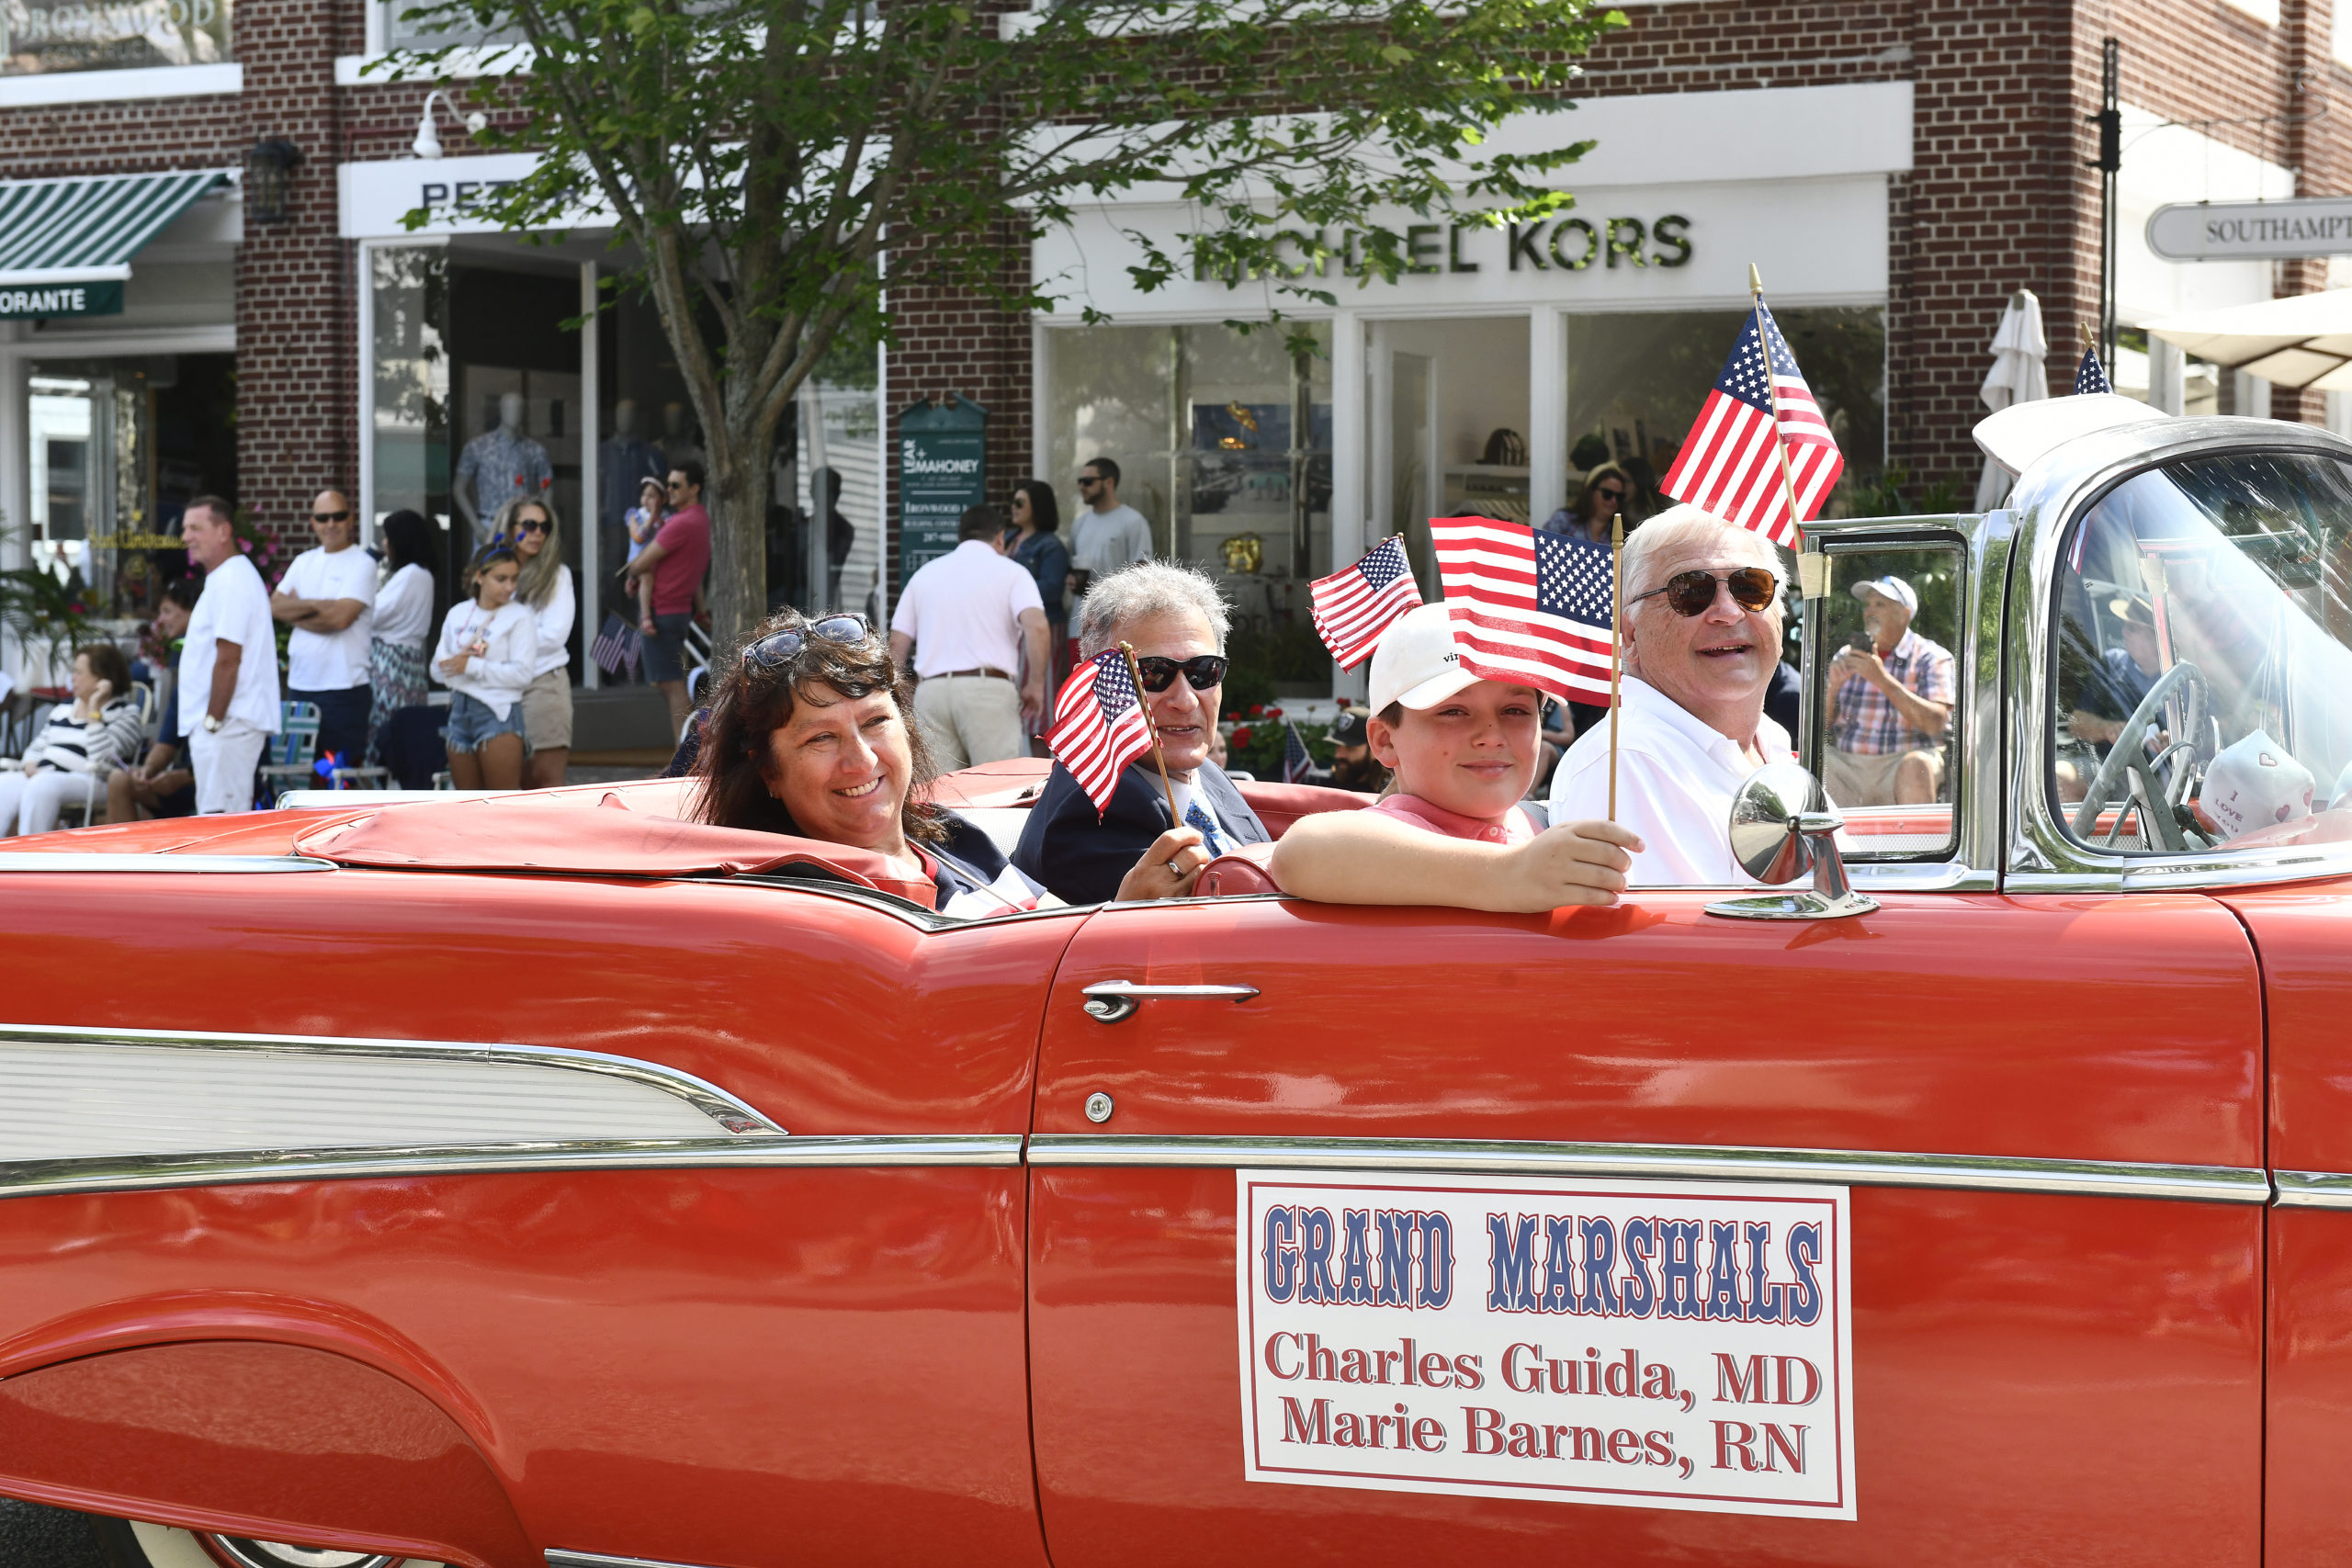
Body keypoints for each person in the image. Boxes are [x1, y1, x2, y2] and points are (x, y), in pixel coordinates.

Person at [693, 611, 1210, 916]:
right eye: (821, 738)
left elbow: (1048, 935)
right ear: (769, 774)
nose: (862, 758)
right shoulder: (803, 899)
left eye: (876, 722)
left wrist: (1129, 907)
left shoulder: (953, 842)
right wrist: (1123, 921)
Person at [1268, 604, 1638, 909]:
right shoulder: (1387, 833)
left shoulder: (1552, 821)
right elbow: (1303, 853)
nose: (1492, 736)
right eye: (1453, 712)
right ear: (1384, 740)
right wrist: (1511, 875)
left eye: (1515, 711)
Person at [1548, 504, 1794, 886]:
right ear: (1631, 635)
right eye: (1692, 592)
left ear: (1778, 615)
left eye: (1750, 588)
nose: (1728, 612)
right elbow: (1684, 940)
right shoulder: (1629, 763)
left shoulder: (1772, 742)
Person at [1013, 560, 1271, 904]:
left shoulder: (1204, 774)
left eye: (1204, 671)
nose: (1185, 700)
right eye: (1151, 674)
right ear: (1095, 687)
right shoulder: (1088, 818)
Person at [888, 502, 1051, 769]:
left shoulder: (924, 575)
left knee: (937, 797)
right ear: (1000, 537)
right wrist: (1035, 684)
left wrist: (897, 693)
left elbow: (897, 641)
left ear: (960, 537)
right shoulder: (1013, 573)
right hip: (989, 691)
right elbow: (1038, 626)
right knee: (998, 793)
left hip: (932, 693)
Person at [179, 494, 280, 814]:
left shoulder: (232, 580)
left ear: (223, 532)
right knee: (218, 822)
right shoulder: (227, 577)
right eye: (185, 529)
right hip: (227, 727)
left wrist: (212, 723)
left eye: (195, 528)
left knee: (219, 826)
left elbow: (228, 658)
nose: (186, 538)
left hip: (227, 728)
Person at [1824, 573, 1955, 807]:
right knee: (1815, 761)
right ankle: (1823, 844)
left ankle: (1916, 844)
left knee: (1916, 766)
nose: (1869, 612)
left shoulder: (1932, 657)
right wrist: (1833, 687)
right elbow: (1819, 729)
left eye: (1880, 604)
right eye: (1868, 604)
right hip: (1850, 768)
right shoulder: (1847, 656)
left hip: (1903, 764)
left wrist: (1882, 679)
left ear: (1904, 614)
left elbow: (1936, 724)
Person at [270, 488, 377, 768]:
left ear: (351, 520)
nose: (331, 524)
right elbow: (274, 607)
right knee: (295, 774)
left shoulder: (363, 563)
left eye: (338, 516)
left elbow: (340, 620)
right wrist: (322, 605)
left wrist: (297, 609)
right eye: (323, 517)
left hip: (344, 688)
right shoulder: (303, 561)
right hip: (300, 685)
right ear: (313, 522)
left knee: (338, 780)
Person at [0, 644, 142, 836]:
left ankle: (33, 856)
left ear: (102, 678)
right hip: (44, 774)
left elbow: (102, 757)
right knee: (4, 783)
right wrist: (30, 763)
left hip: (92, 779)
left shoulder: (125, 713)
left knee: (42, 786)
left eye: (79, 673)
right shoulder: (63, 709)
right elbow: (38, 746)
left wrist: (94, 709)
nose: (72, 678)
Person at [434, 547, 536, 790]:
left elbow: (523, 675)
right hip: (459, 710)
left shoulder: (520, 616)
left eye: (514, 579)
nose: (509, 587)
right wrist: (460, 668)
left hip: (498, 712)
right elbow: (437, 670)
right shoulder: (458, 613)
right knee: (468, 806)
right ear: (479, 577)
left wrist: (470, 666)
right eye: (501, 579)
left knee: (501, 807)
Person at [625, 459, 713, 738]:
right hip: (677, 611)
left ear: (695, 488)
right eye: (669, 484)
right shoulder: (699, 520)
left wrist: (633, 573)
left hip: (663, 612)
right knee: (672, 683)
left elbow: (639, 564)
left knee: (672, 685)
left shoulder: (681, 524)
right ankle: (686, 753)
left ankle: (686, 756)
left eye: (676, 485)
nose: (670, 491)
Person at [108, 580, 199, 823]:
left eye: (167, 611)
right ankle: (126, 861)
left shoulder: (232, 684)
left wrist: (185, 777)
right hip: (185, 779)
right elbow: (166, 742)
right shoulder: (186, 685)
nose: (160, 620)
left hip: (218, 782)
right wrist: (146, 770)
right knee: (120, 779)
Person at [503, 496, 576, 789]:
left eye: (544, 527)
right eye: (529, 525)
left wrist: (502, 640)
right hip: (499, 686)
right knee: (508, 782)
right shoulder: (493, 571)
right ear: (510, 528)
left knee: (544, 780)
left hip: (543, 681)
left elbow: (554, 635)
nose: (537, 533)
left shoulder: (557, 575)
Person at [368, 509, 439, 767]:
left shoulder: (411, 575)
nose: (385, 543)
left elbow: (373, 615)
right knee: (404, 727)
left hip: (392, 664)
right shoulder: (422, 574)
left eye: (388, 537)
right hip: (409, 662)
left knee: (387, 728)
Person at [1067, 457, 1153, 639]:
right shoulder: (1079, 524)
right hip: (1080, 626)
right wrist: (1072, 579)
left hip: (1117, 627)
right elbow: (1072, 565)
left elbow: (1142, 572)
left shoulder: (1133, 521)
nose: (1082, 486)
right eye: (1080, 482)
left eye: (1088, 482)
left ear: (1109, 482)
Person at [1007, 479, 1071, 688]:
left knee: (1041, 688)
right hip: (1012, 627)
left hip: (1044, 626)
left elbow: (1052, 589)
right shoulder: (1008, 539)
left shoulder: (1051, 545)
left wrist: (1011, 593)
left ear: (1037, 506)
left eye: (1019, 503)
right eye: (1013, 502)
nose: (1013, 508)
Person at [1541, 462, 1632, 543]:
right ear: (1591, 491)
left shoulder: (1625, 535)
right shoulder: (1563, 520)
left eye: (1619, 497)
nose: (1614, 500)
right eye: (1607, 494)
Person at [1325, 706, 1387, 793]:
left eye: (1350, 748)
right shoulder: (1324, 788)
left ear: (1374, 750)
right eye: (1338, 746)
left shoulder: (1388, 798)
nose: (1339, 755)